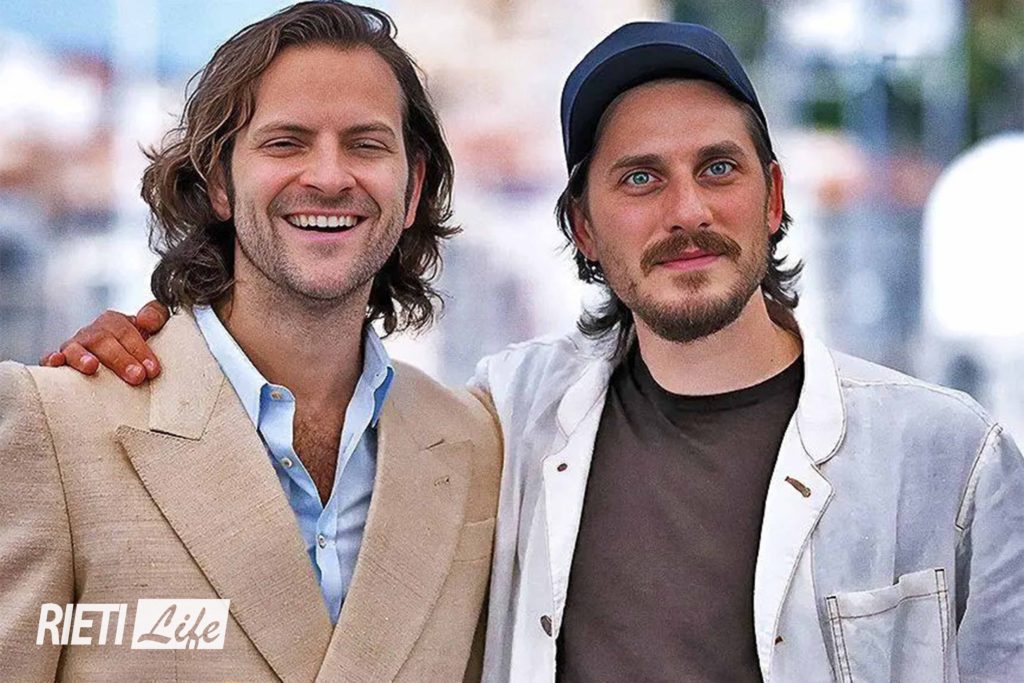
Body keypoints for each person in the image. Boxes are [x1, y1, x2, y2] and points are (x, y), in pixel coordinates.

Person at [45, 21, 1024, 683]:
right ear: (582, 228)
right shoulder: (506, 420)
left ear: (771, 198)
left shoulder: (951, 457)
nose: (687, 209)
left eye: (718, 168)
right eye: (638, 178)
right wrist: (160, 343)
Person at [0, 3, 500, 681]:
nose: (329, 177)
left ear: (412, 191)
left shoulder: (478, 448)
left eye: (366, 144)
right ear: (219, 184)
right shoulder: (56, 427)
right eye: (286, 143)